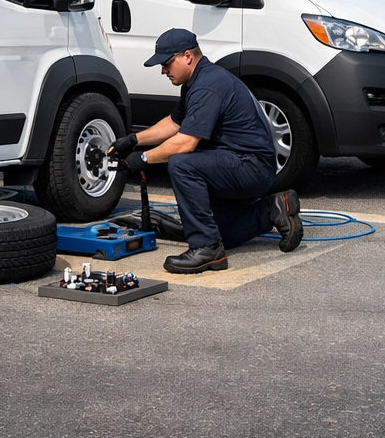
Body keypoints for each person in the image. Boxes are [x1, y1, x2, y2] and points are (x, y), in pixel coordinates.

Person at [107, 28, 303, 274]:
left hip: (249, 166)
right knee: (223, 234)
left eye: (167, 63)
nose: (163, 70)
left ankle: (206, 248)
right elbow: (175, 123)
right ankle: (273, 209)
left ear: (187, 56)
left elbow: (185, 143)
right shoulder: (197, 81)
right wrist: (134, 140)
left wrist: (144, 158)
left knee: (181, 163)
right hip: (239, 164)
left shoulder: (208, 85)